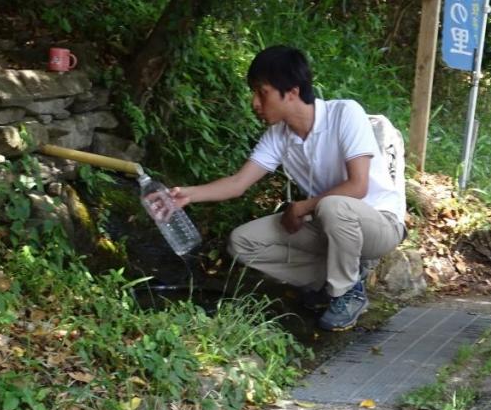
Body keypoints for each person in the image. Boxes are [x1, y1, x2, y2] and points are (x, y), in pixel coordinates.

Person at [169, 46, 407, 332]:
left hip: (379, 223)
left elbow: (357, 186)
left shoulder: (345, 113)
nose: (254, 102)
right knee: (242, 242)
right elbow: (237, 183)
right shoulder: (278, 136)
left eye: (262, 92)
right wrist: (187, 194)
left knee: (332, 206)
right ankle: (334, 281)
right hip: (330, 224)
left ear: (292, 92)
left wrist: (303, 207)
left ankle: (346, 293)